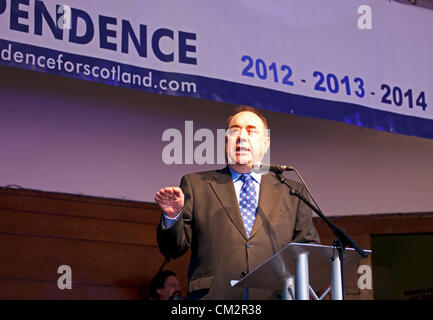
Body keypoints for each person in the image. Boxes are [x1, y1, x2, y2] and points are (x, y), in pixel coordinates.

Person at [155, 106, 320, 300]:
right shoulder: (196, 185)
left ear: (266, 144)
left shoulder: (292, 192)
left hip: (273, 296)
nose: (242, 137)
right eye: (234, 131)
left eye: (251, 131)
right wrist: (172, 216)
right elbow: (171, 250)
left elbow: (308, 252)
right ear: (226, 141)